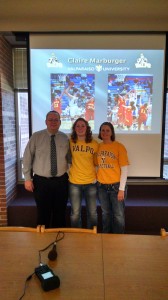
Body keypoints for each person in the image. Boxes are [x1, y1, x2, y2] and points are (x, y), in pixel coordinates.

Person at [22, 111, 71, 228]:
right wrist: (27, 179)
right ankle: (42, 240)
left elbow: (70, 159)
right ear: (45, 122)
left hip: (61, 181)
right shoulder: (36, 137)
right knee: (43, 213)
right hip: (41, 182)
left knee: (60, 213)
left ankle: (58, 240)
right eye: (50, 119)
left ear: (60, 122)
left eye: (56, 120)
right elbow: (27, 157)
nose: (53, 122)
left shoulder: (65, 138)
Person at [96, 122, 129, 233]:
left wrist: (121, 189)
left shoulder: (119, 146)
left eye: (107, 130)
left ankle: (118, 239)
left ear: (112, 132)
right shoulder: (98, 147)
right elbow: (96, 165)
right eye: (102, 130)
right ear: (100, 132)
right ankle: (106, 237)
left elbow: (124, 169)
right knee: (106, 214)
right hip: (101, 186)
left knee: (118, 215)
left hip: (116, 187)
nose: (105, 132)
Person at [69, 117, 98, 229]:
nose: (80, 128)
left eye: (83, 126)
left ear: (87, 128)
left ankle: (92, 235)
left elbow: (97, 163)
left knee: (92, 213)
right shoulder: (70, 142)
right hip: (74, 183)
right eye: (77, 126)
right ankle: (77, 235)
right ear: (74, 128)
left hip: (90, 182)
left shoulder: (95, 144)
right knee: (75, 213)